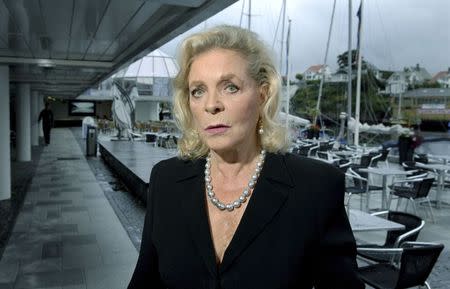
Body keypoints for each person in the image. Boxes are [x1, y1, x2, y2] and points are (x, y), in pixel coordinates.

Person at [128, 25, 363, 289]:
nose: (211, 104)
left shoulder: (316, 187)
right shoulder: (166, 180)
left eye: (230, 87)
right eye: (198, 90)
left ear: (262, 95)